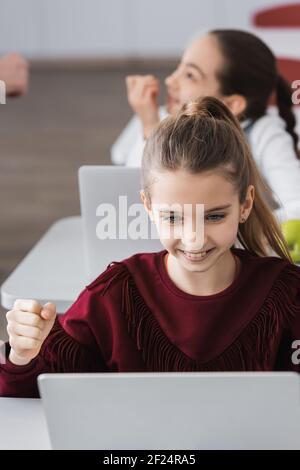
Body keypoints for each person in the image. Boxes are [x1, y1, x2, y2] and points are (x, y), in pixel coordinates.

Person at [1, 97, 300, 398]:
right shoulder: (114, 296)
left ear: (245, 204)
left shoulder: (289, 294)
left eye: (214, 216)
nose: (194, 238)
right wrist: (23, 354)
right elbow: (33, 389)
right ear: (148, 205)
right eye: (173, 217)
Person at [111, 29, 300, 259]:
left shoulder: (263, 133)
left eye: (190, 75)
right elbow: (132, 195)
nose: (170, 80)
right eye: (179, 67)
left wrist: (229, 225)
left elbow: (297, 207)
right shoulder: (162, 116)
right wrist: (149, 125)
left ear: (232, 103)